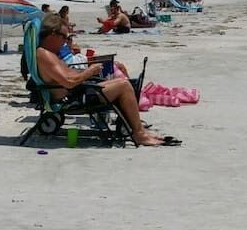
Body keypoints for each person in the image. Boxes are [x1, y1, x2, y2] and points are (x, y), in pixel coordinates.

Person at [33, 13, 171, 146]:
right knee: (124, 85)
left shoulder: (49, 54)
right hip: (72, 99)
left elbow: (69, 75)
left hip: (77, 93)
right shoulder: (44, 54)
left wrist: (87, 73)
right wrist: (89, 71)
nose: (65, 42)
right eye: (64, 37)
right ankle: (139, 134)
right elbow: (68, 82)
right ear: (52, 35)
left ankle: (138, 129)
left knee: (126, 83)